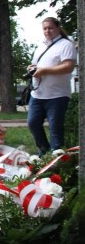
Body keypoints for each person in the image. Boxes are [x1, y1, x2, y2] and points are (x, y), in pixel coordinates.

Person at [27, 17, 77, 154]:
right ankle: (44, 152)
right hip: (38, 94)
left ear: (58, 28)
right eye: (44, 28)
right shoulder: (42, 45)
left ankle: (57, 157)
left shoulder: (66, 45)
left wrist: (45, 71)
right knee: (33, 123)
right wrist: (32, 68)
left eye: (50, 28)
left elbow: (68, 67)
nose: (47, 31)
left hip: (57, 95)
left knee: (55, 129)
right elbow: (36, 65)